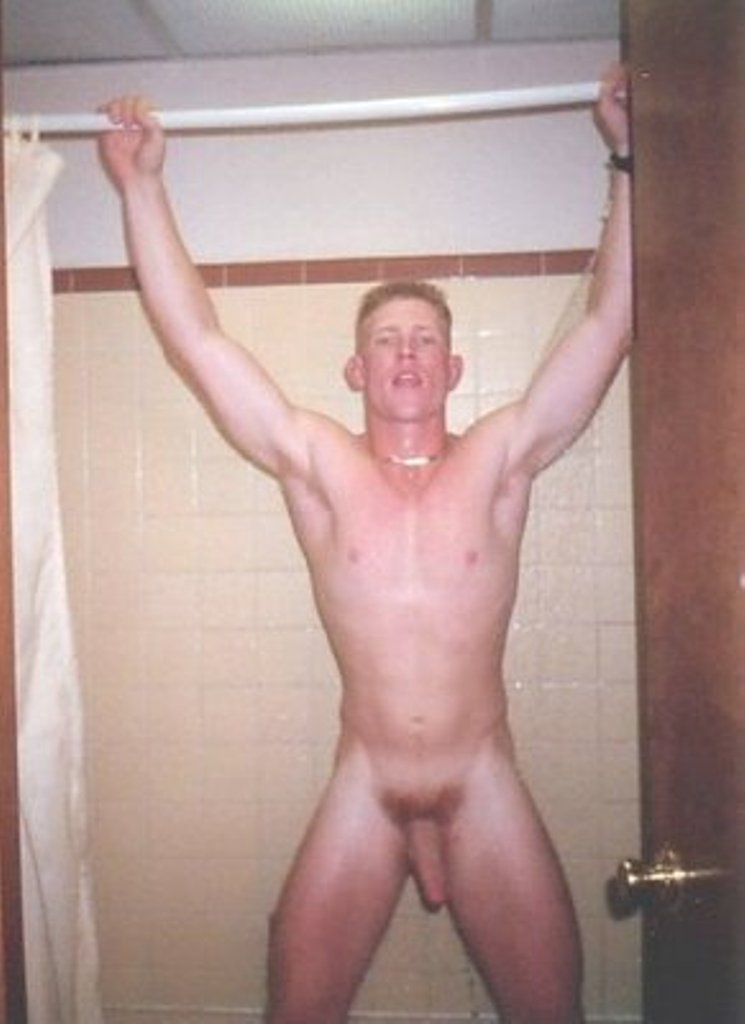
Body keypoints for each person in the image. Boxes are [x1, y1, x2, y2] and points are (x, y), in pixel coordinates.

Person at [98, 62, 632, 1024]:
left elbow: (606, 325)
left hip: (481, 779)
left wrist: (627, 159)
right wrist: (141, 186)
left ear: (453, 367)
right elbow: (198, 341)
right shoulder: (318, 464)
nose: (406, 354)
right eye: (387, 339)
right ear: (356, 368)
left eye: (424, 339)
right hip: (366, 779)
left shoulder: (501, 460)